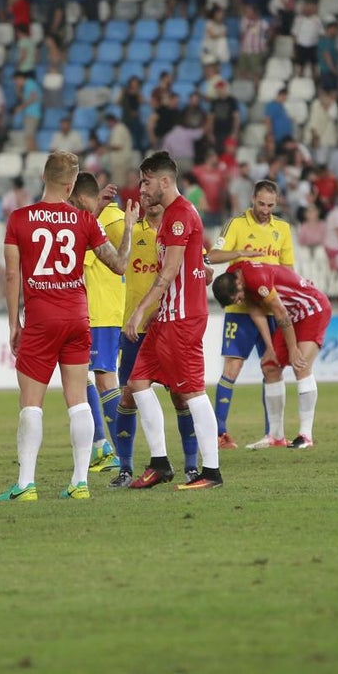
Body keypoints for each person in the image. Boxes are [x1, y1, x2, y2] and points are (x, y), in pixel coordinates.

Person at [0, 151, 137, 502]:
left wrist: (14, 323)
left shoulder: (19, 219)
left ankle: (26, 484)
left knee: (31, 403)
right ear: (72, 184)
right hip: (77, 318)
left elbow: (12, 275)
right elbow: (120, 265)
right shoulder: (85, 220)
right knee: (78, 401)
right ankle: (79, 482)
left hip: (41, 319)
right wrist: (129, 228)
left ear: (43, 178)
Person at [123, 151, 225, 490]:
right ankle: (160, 464)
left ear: (164, 181)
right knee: (138, 382)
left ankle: (211, 472)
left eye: (146, 182)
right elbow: (192, 264)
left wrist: (140, 310)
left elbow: (168, 272)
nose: (142, 189)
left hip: (181, 319)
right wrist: (201, 270)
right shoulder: (174, 215)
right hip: (167, 316)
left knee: (192, 391)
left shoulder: (180, 214)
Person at [109, 199, 202, 488]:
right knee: (128, 395)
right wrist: (127, 228)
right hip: (134, 328)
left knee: (181, 396)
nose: (147, 199)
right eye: (143, 193)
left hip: (171, 324)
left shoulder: (178, 229)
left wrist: (205, 270)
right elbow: (111, 256)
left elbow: (203, 269)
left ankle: (191, 467)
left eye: (150, 192)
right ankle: (125, 469)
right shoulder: (129, 230)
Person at [206, 180, 293, 450]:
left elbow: (287, 270)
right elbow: (212, 256)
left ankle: (274, 434)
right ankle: (220, 433)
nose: (265, 210)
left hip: (270, 310)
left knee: (273, 369)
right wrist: (240, 252)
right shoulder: (237, 224)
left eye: (270, 205)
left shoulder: (282, 229)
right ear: (253, 199)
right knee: (232, 368)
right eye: (261, 204)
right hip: (240, 309)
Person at [211, 262, 331, 449]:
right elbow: (255, 310)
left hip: (311, 308)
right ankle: (275, 436)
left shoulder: (256, 279)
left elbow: (280, 313)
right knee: (269, 366)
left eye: (237, 298)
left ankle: (305, 435)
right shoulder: (234, 276)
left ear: (239, 284)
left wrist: (293, 348)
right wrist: (269, 347)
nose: (239, 302)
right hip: (292, 314)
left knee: (301, 365)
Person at [68, 171, 126, 474]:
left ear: (79, 197)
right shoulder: (84, 219)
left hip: (101, 309)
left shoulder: (113, 219)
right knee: (82, 377)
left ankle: (120, 454)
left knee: (104, 379)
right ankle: (100, 445)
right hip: (86, 309)